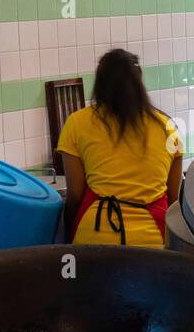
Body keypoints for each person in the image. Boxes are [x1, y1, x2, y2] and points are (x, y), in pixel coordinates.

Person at [56, 48, 183, 247]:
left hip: (94, 237)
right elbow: (175, 202)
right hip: (152, 244)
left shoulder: (77, 123)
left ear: (99, 84)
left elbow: (75, 197)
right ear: (139, 83)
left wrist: (67, 237)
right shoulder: (167, 127)